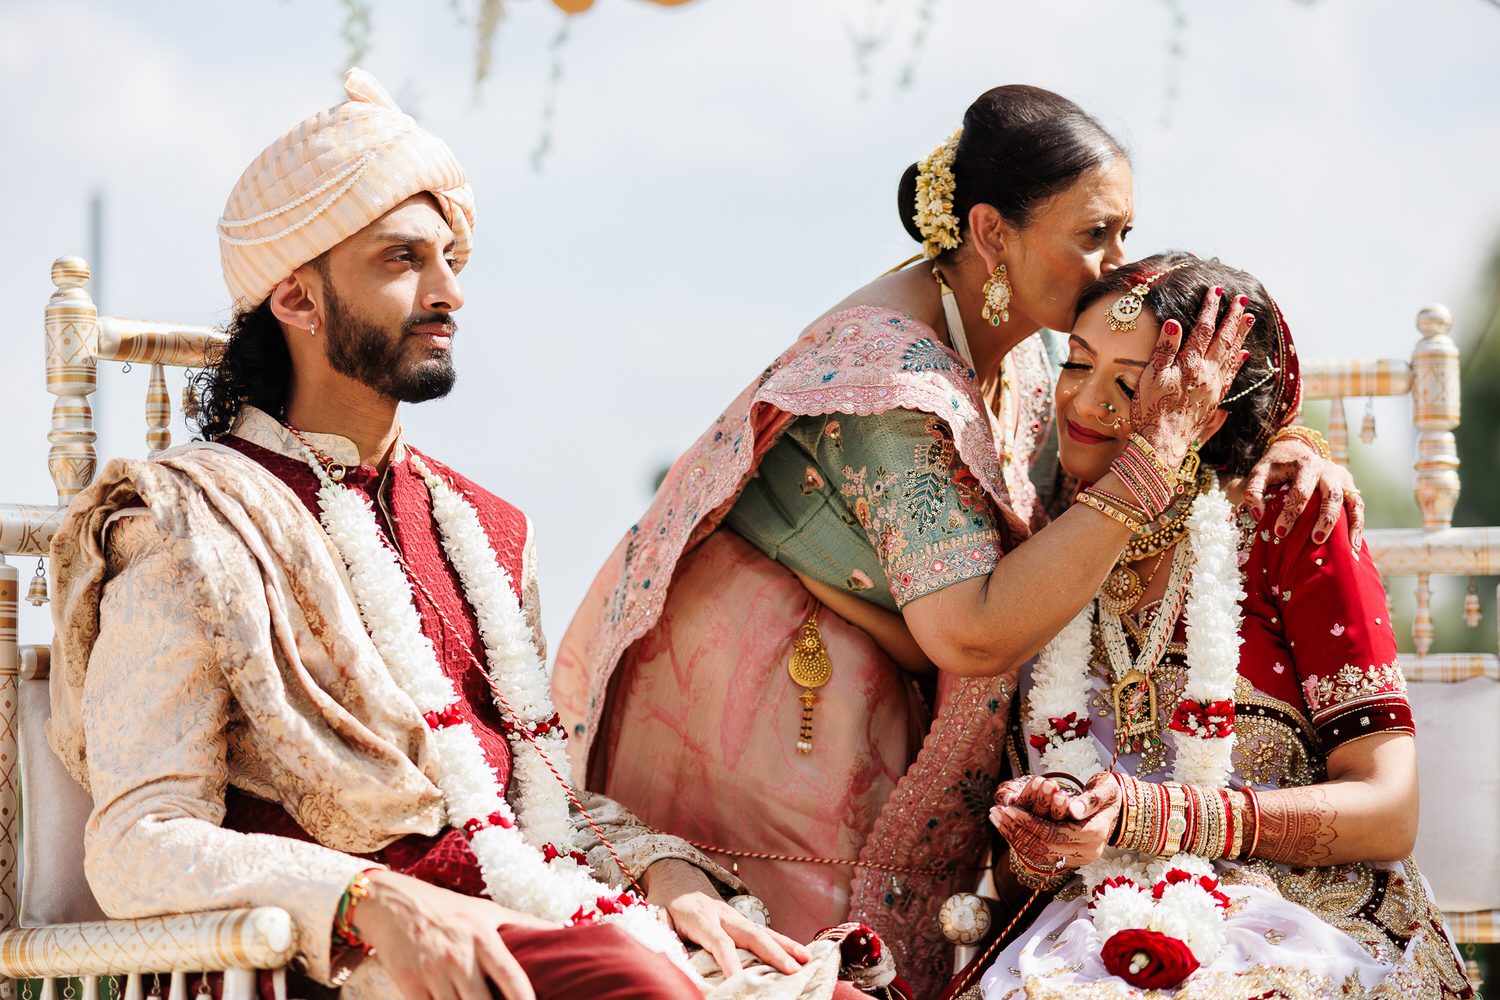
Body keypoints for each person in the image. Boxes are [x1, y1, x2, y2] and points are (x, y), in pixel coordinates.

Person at [46, 69, 885, 1000]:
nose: (449, 291)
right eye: (402, 260)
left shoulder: (485, 528)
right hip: (343, 959)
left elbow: (523, 797)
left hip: (527, 916)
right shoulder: (190, 525)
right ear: (296, 300)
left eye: (453, 258)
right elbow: (138, 842)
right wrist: (365, 902)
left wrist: (666, 878)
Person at [552, 85, 1361, 996]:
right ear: (990, 232)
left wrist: (1277, 443)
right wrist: (1157, 462)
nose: (1116, 266)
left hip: (856, 716)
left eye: (1126, 233)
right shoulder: (892, 378)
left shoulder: (1020, 347)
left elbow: (1103, 444)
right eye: (1095, 234)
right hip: (758, 730)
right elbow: (972, 632)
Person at [945, 252, 1472, 999]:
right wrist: (1043, 843)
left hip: (1304, 919)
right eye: (1077, 365)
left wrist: (1156, 815)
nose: (1084, 402)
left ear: (1211, 411)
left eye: (1127, 384)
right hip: (1087, 924)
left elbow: (1388, 810)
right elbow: (1015, 866)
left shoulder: (1289, 520)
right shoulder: (1045, 551)